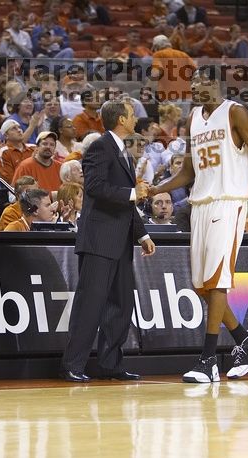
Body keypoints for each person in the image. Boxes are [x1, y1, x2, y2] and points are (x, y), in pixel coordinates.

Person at [149, 67, 248, 383]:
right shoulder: (193, 119)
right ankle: (245, 340)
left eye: (201, 81)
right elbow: (188, 172)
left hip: (228, 202)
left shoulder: (235, 113)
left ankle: (208, 360)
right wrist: (155, 189)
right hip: (200, 204)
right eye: (191, 83)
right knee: (201, 286)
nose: (194, 86)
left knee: (217, 282)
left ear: (215, 85)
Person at [60, 99, 156, 383]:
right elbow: (95, 187)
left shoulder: (121, 150)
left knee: (121, 305)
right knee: (90, 304)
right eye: (131, 114)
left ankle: (110, 364)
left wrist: (142, 233)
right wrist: (132, 194)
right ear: (121, 120)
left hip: (121, 240)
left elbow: (129, 198)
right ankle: (72, 365)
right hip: (99, 240)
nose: (136, 118)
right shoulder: (99, 147)